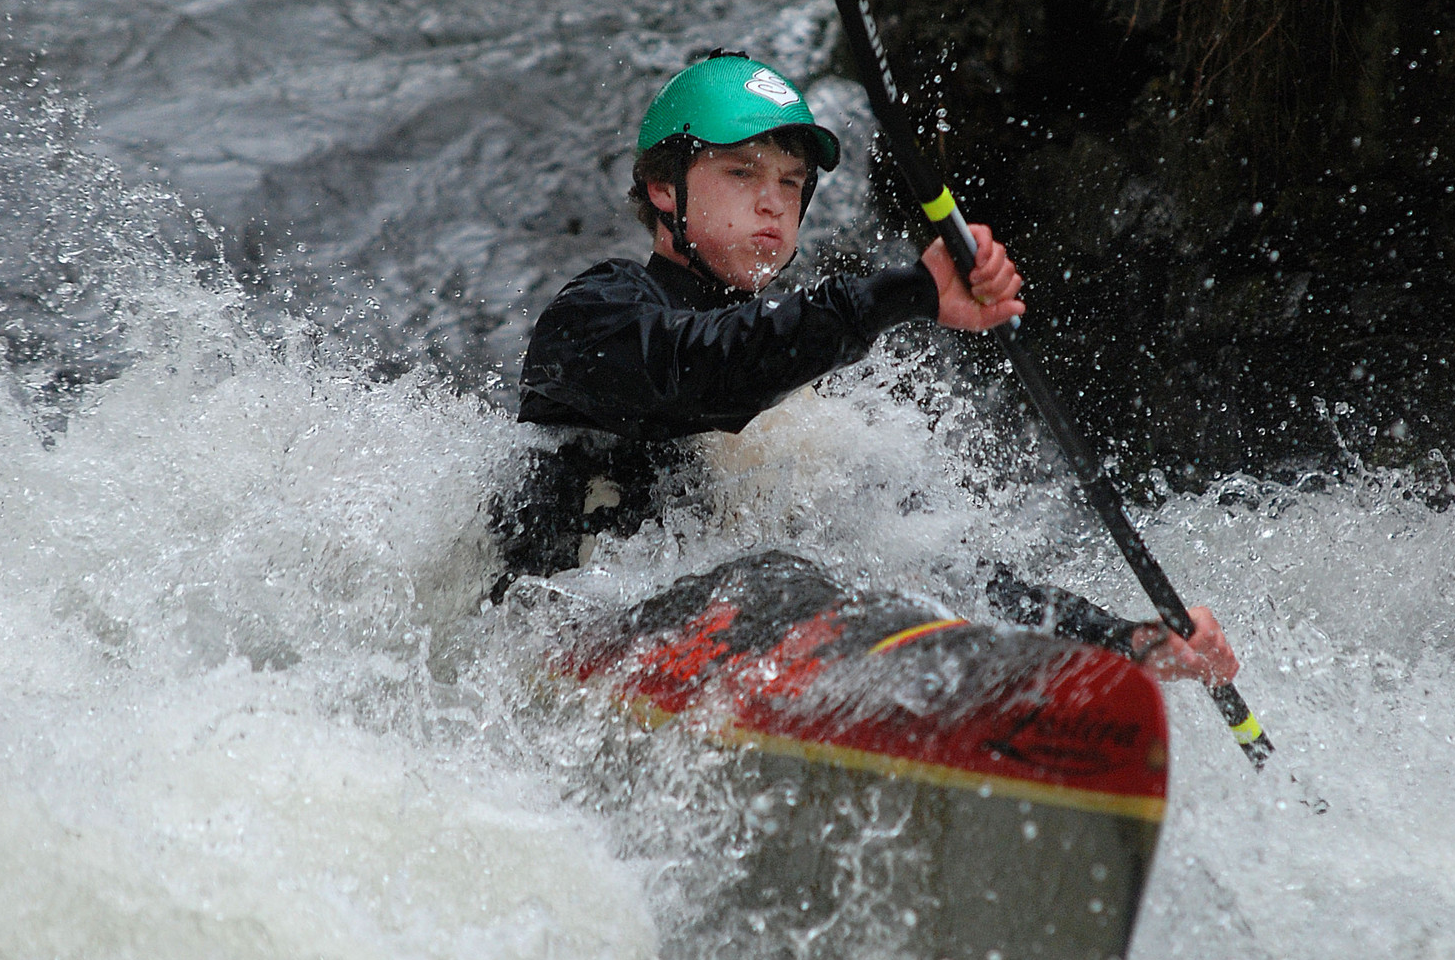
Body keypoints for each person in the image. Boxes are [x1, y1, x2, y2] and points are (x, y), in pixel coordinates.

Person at [498, 50, 1237, 688]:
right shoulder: (593, 315)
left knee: (877, 573)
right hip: (547, 650)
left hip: (717, 655)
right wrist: (905, 293)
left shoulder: (802, 386)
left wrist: (1122, 642)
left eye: (791, 183)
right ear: (664, 189)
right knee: (774, 581)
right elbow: (707, 373)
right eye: (741, 171)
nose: (772, 201)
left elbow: (932, 563)